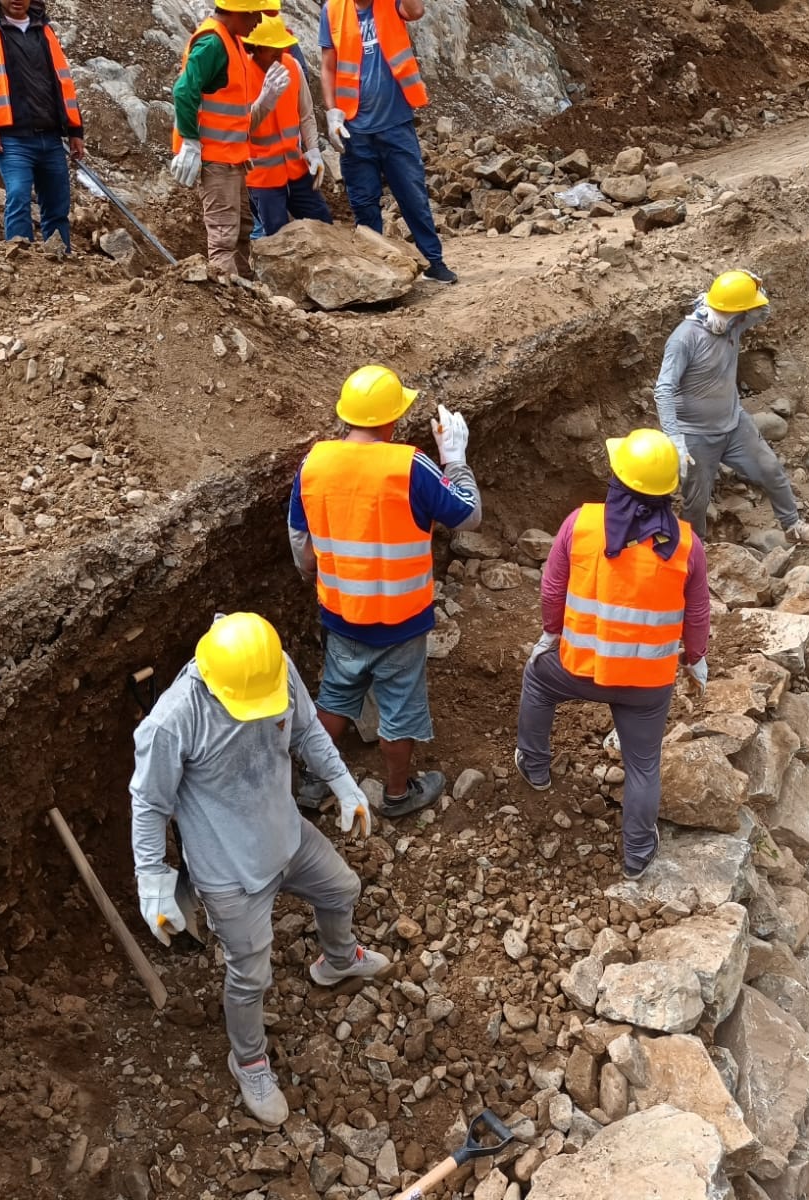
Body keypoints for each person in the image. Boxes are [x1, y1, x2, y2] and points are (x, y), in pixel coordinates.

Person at [131, 612, 387, 1127]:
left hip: (285, 835)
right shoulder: (173, 721)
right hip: (230, 873)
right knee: (251, 977)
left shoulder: (271, 668)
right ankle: (247, 1060)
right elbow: (148, 802)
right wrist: (153, 880)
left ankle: (338, 960)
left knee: (342, 889)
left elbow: (309, 730)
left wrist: (343, 783)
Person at [515, 430, 711, 881]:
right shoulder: (685, 545)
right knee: (643, 766)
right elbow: (697, 612)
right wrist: (695, 659)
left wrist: (550, 635)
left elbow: (552, 589)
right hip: (647, 685)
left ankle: (535, 766)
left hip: (578, 669)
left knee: (537, 681)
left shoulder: (580, 524)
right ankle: (638, 855)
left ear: (618, 478)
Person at [288, 365, 480, 819]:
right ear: (392, 419)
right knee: (398, 708)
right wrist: (455, 459)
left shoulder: (314, 463)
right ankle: (397, 795)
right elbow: (468, 514)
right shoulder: (408, 465)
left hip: (341, 611)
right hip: (401, 620)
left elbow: (301, 540)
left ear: (346, 416)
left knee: (335, 695)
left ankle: (314, 782)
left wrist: (314, 577)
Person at [654, 270, 809, 543]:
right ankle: (695, 554)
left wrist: (755, 287)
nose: (748, 315)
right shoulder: (685, 338)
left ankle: (793, 527)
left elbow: (762, 313)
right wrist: (674, 438)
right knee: (696, 502)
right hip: (694, 435)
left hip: (734, 424)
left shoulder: (732, 323)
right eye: (744, 308)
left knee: (770, 469)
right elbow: (663, 390)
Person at [319, 0, 457, 285]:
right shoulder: (332, 10)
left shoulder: (391, 3)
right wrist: (331, 112)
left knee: (413, 195)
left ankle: (434, 261)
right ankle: (375, 269)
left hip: (395, 122)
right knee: (364, 202)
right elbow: (328, 67)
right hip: (354, 126)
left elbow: (416, 11)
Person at [168, 1, 293, 276]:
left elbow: (233, 113)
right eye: (256, 14)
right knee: (224, 239)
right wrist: (189, 141)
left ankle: (244, 295)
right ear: (239, 12)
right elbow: (183, 91)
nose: (258, 22)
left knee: (241, 232)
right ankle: (227, 301)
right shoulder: (213, 43)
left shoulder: (230, 41)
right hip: (217, 160)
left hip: (232, 158)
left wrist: (264, 102)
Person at [0, 0, 85, 252]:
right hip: (12, 137)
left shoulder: (42, 27)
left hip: (50, 136)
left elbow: (62, 83)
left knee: (58, 208)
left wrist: (75, 130)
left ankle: (62, 267)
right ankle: (21, 265)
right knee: (18, 199)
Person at [242, 15, 333, 237]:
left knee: (324, 226)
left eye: (282, 49)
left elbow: (305, 114)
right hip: (262, 177)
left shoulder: (292, 66)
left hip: (295, 168)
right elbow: (240, 128)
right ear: (256, 48)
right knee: (277, 237)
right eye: (274, 50)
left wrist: (313, 150)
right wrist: (264, 103)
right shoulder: (240, 74)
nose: (280, 55)